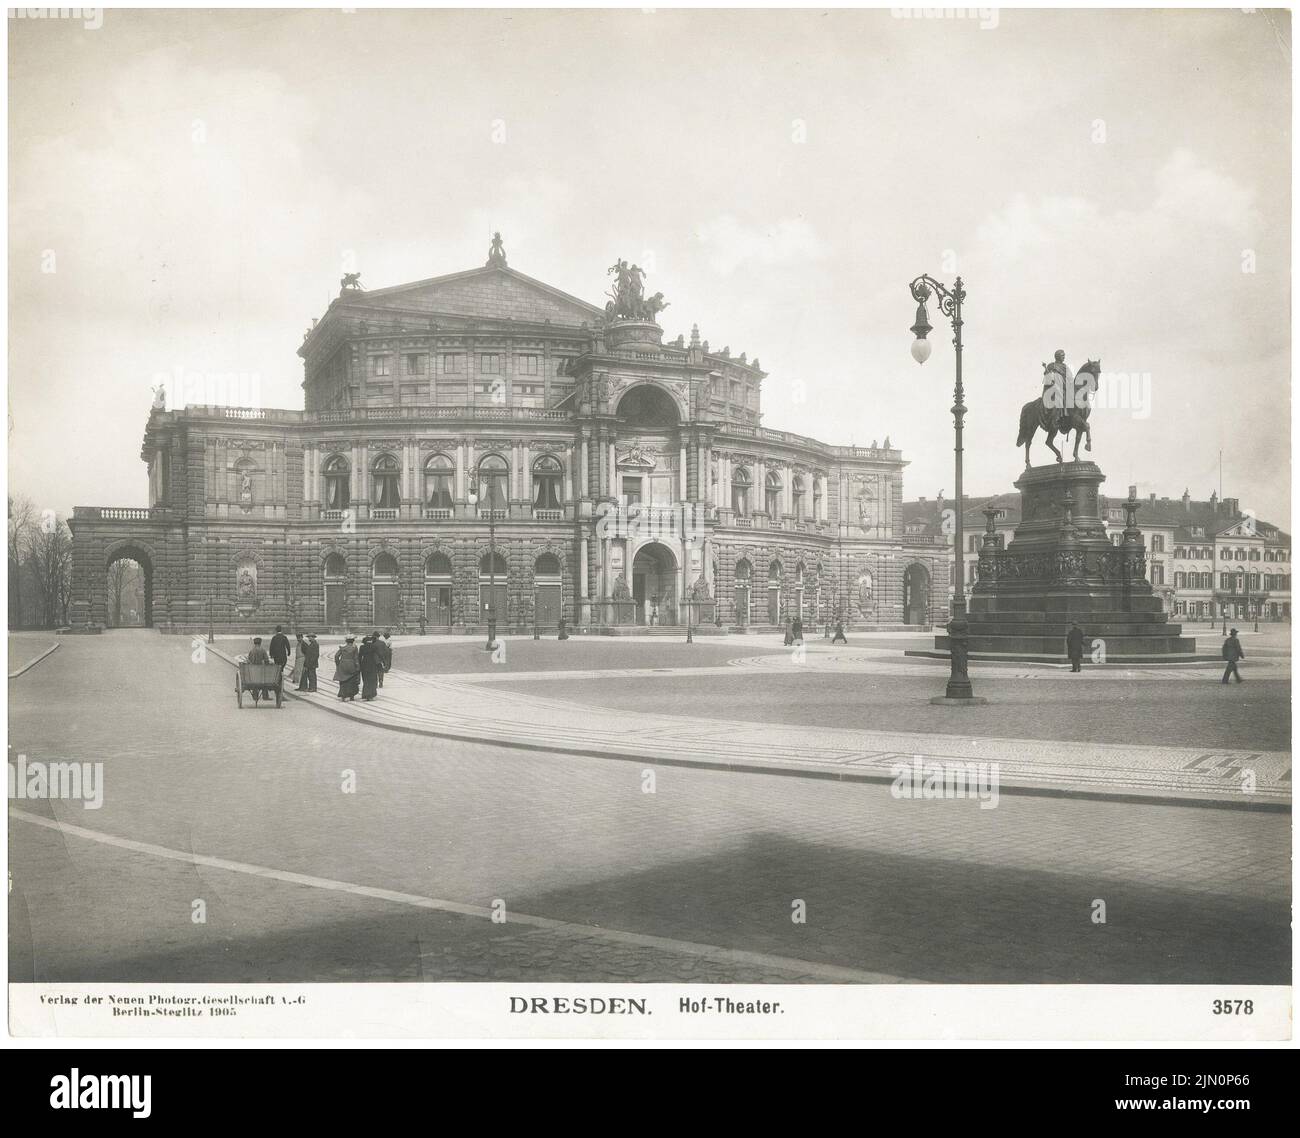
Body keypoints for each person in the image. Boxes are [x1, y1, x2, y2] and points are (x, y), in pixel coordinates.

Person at [246, 637, 271, 704]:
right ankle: (265, 696)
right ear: (260, 643)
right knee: (264, 679)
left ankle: (255, 695)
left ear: (254, 643)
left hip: (253, 671)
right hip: (261, 671)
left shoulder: (252, 651)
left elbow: (248, 660)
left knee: (254, 680)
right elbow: (266, 660)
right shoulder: (263, 650)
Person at [334, 636, 360, 701]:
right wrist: (357, 666)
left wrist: (338, 664)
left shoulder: (342, 647)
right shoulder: (354, 648)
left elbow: (336, 656)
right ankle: (351, 696)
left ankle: (343, 695)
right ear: (353, 641)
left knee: (343, 680)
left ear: (346, 641)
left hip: (343, 664)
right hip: (351, 664)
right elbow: (356, 658)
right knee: (352, 680)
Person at [359, 633, 381, 701]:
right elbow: (379, 655)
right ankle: (371, 694)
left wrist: (359, 665)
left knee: (366, 680)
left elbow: (359, 657)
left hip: (364, 664)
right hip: (372, 664)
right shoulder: (374, 646)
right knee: (372, 679)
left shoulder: (362, 647)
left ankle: (365, 694)